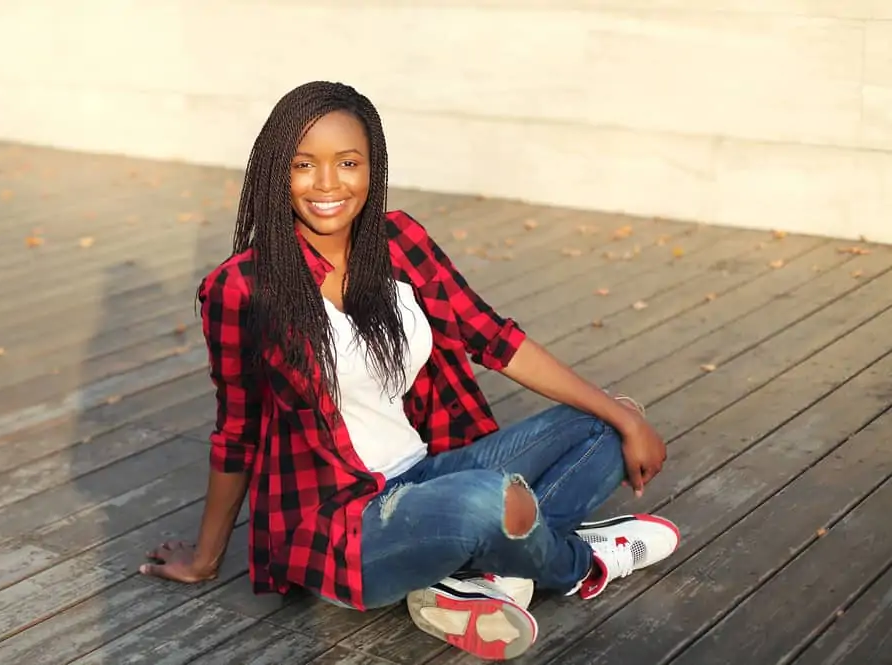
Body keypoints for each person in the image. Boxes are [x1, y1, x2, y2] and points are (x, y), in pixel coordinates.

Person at [140, 81, 680, 661]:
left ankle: (481, 572)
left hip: (426, 471)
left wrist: (621, 417)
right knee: (490, 501)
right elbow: (237, 431)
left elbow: (494, 338)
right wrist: (206, 556)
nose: (328, 184)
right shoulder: (242, 288)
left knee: (604, 424)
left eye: (348, 163)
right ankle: (580, 563)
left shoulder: (400, 242)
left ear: (373, 168)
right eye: (304, 165)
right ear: (276, 173)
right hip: (342, 523)